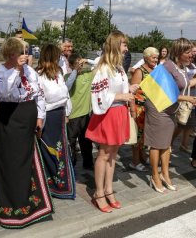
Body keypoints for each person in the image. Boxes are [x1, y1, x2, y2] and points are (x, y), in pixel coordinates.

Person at [0, 37, 54, 227]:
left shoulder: (30, 70)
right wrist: (16, 71)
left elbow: (39, 93)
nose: (25, 55)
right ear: (11, 54)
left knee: (27, 160)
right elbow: (4, 93)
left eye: (26, 51)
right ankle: (13, 208)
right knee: (13, 162)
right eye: (21, 51)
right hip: (11, 118)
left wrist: (40, 117)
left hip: (28, 116)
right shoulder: (2, 71)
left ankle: (31, 204)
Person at [85, 31, 138, 212]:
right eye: (124, 45)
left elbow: (119, 89)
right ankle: (98, 193)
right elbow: (98, 94)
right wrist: (122, 95)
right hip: (107, 114)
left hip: (119, 113)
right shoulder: (103, 68)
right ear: (116, 45)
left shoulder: (119, 68)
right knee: (104, 154)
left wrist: (130, 88)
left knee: (113, 154)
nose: (126, 49)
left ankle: (109, 190)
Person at [146, 38, 196, 188]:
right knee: (156, 144)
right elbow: (166, 92)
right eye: (188, 52)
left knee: (166, 143)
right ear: (179, 52)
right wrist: (190, 99)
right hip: (158, 108)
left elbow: (186, 84)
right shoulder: (168, 66)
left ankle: (165, 173)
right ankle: (155, 176)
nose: (191, 55)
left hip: (170, 108)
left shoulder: (182, 67)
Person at [36, 44, 75, 199]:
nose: (61, 59)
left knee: (60, 151)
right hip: (48, 117)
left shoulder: (59, 73)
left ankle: (60, 184)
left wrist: (66, 113)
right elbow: (40, 100)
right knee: (48, 150)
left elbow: (65, 95)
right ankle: (49, 184)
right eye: (58, 56)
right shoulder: (38, 76)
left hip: (59, 116)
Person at [129, 47, 159, 172]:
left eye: (157, 57)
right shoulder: (139, 71)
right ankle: (135, 161)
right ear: (146, 58)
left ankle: (142, 156)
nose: (156, 60)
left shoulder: (155, 70)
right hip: (139, 107)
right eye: (153, 57)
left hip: (150, 108)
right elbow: (133, 91)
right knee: (138, 135)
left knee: (145, 136)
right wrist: (133, 110)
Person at [66, 53, 94, 170]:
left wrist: (88, 60)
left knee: (86, 142)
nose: (80, 65)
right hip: (73, 115)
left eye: (80, 63)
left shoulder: (89, 74)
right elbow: (67, 86)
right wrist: (75, 71)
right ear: (71, 65)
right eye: (77, 63)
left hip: (86, 114)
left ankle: (88, 164)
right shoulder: (67, 76)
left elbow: (102, 63)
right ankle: (71, 165)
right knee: (71, 142)